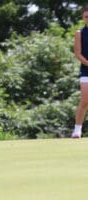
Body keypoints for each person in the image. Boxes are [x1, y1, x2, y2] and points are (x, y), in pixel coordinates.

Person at [71, 5, 88, 138]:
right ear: (83, 18)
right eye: (86, 16)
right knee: (84, 100)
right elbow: (78, 53)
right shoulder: (79, 33)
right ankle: (77, 130)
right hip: (86, 71)